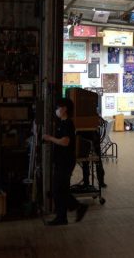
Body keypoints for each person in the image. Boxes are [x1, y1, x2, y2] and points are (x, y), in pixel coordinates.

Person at [42, 97, 88, 226]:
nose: (56, 110)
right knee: (61, 190)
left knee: (58, 189)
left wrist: (50, 138)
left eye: (58, 107)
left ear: (64, 109)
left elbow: (65, 142)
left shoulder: (68, 123)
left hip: (65, 161)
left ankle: (75, 209)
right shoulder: (61, 123)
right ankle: (63, 216)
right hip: (60, 160)